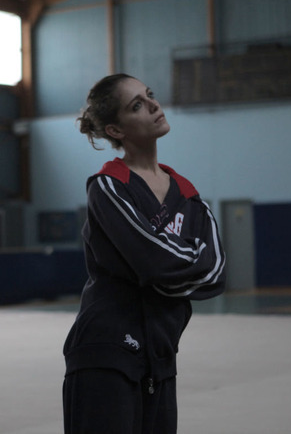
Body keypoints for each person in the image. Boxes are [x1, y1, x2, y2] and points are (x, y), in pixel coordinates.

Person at [62, 73, 226, 434]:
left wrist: (161, 275)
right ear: (116, 130)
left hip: (161, 354)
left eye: (149, 95)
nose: (153, 105)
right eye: (137, 105)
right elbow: (154, 261)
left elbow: (214, 272)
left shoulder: (188, 194)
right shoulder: (109, 187)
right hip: (106, 352)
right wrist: (176, 269)